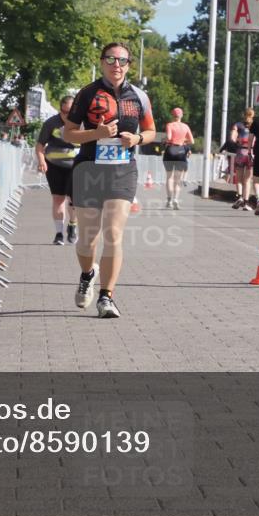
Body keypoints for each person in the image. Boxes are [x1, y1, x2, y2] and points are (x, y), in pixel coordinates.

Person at [63, 42, 156, 319]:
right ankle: (87, 275)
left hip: (122, 170)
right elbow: (69, 133)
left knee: (113, 233)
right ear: (102, 62)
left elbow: (151, 131)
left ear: (129, 65)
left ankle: (106, 297)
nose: (117, 65)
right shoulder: (87, 93)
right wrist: (96, 133)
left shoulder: (139, 96)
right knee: (87, 238)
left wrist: (137, 138)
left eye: (122, 60)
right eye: (111, 59)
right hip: (89, 170)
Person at [35, 95, 79, 245]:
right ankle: (59, 234)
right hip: (54, 166)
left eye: (71, 112)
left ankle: (72, 226)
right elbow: (40, 145)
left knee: (74, 200)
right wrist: (41, 161)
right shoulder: (51, 123)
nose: (67, 116)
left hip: (76, 166)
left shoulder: (82, 123)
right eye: (65, 112)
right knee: (58, 199)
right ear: (60, 109)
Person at [162, 107, 194, 210]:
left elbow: (169, 137)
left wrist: (164, 140)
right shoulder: (185, 126)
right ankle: (176, 199)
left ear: (173, 115)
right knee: (178, 178)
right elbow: (192, 141)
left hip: (170, 150)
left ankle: (169, 200)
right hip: (181, 151)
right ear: (182, 115)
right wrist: (183, 141)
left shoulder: (170, 125)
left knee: (169, 177)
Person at [229, 108, 255, 210]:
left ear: (244, 115)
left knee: (239, 178)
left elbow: (232, 138)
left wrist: (237, 141)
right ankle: (246, 203)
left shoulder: (238, 125)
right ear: (253, 115)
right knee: (248, 180)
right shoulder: (255, 125)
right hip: (251, 153)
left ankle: (239, 197)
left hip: (240, 152)